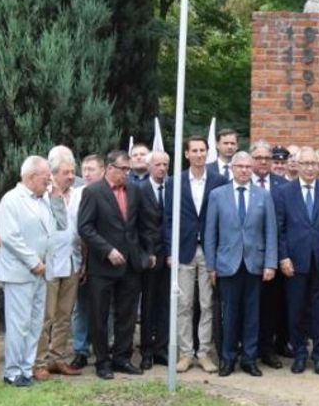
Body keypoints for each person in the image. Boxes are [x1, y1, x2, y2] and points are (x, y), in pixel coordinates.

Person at [77, 150, 160, 379]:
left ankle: (122, 358)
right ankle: (102, 361)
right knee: (99, 315)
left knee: (127, 315)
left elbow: (145, 225)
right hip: (103, 266)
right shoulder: (93, 192)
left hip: (130, 265)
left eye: (128, 169)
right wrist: (107, 250)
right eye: (123, 169)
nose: (127, 173)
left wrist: (148, 252)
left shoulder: (135, 190)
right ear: (109, 167)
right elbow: (85, 227)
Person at [204, 151, 277, 376]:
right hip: (227, 264)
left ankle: (249, 358)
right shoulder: (218, 195)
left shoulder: (263, 196)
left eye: (248, 166)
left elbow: (270, 231)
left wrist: (270, 264)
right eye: (240, 166)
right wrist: (211, 266)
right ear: (232, 169)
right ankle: (227, 358)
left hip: (255, 264)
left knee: (252, 315)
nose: (244, 170)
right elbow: (210, 233)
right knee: (230, 315)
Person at [273, 146, 319, 375]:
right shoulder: (284, 192)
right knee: (296, 310)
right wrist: (283, 257)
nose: (310, 168)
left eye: (314, 164)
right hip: (294, 262)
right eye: (306, 164)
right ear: (297, 166)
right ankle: (300, 354)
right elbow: (279, 229)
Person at [166, 138, 225, 373]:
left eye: (203, 150)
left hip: (209, 250)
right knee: (184, 303)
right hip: (184, 249)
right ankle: (186, 353)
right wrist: (171, 250)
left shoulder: (219, 181)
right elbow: (168, 219)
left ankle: (204, 352)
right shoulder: (175, 182)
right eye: (195, 151)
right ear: (187, 154)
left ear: (208, 154)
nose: (199, 154)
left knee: (207, 304)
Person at [0, 156, 55, 387]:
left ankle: (26, 368)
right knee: (19, 324)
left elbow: (52, 229)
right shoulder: (12, 199)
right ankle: (12, 371)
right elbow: (10, 236)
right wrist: (33, 261)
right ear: (31, 177)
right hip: (20, 272)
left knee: (35, 323)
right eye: (46, 178)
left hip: (40, 272)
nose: (49, 182)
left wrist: (43, 263)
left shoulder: (44, 200)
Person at [36, 146, 83, 379]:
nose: (71, 175)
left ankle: (58, 357)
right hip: (50, 263)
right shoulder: (42, 195)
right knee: (47, 316)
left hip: (73, 261)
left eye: (72, 171)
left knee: (65, 314)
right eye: (66, 172)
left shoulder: (78, 193)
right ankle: (40, 361)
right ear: (53, 173)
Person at [251, 140, 290, 366]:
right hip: (246, 256)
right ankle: (248, 348)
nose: (264, 161)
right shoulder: (241, 182)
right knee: (248, 305)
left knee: (270, 306)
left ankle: (267, 350)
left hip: (272, 257)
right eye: (259, 158)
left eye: (267, 158)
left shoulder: (282, 185)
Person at [69, 153, 104, 370]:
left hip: (105, 257)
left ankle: (104, 347)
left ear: (102, 170)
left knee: (105, 306)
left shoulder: (110, 193)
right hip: (81, 257)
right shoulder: (77, 194)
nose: (87, 173)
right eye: (85, 169)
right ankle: (80, 350)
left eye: (92, 169)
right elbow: (75, 229)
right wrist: (80, 261)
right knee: (81, 306)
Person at [139, 150, 172, 369]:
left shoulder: (173, 188)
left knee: (165, 304)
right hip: (148, 256)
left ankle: (162, 348)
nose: (162, 168)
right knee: (148, 304)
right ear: (149, 167)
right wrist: (145, 253)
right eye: (158, 164)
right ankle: (146, 351)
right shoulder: (139, 190)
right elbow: (136, 224)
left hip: (168, 255)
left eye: (165, 164)